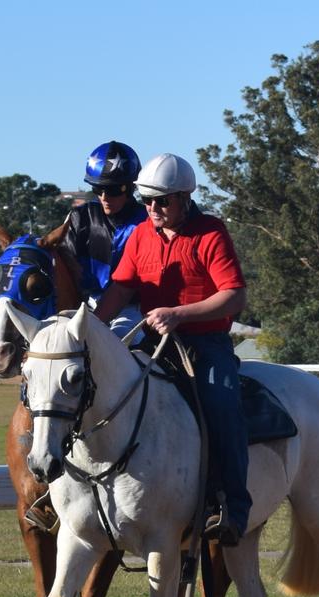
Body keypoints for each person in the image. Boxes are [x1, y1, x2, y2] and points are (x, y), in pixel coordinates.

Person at [94, 153, 251, 547]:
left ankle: (231, 507)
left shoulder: (211, 233)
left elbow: (233, 297)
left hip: (206, 345)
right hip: (152, 341)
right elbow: (119, 290)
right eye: (147, 200)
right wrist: (89, 327)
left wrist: (179, 314)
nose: (152, 208)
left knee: (222, 405)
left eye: (162, 200)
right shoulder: (141, 236)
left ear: (185, 197)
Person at [65, 141, 148, 340]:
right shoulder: (80, 217)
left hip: (133, 309)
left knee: (118, 341)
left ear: (129, 187)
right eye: (98, 189)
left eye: (113, 190)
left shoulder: (148, 221)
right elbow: (65, 269)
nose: (104, 197)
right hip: (85, 304)